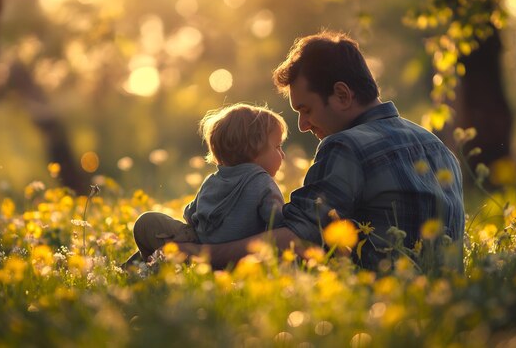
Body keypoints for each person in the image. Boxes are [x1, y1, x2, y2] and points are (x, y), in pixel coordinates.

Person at [176, 30, 465, 270]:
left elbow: (296, 240)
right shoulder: (437, 147)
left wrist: (193, 255)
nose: (302, 125)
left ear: (342, 95)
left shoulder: (346, 146)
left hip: (371, 307)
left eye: (306, 109)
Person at [122, 103, 289, 267]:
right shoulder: (264, 183)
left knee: (148, 222)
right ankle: (154, 265)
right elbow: (279, 227)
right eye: (278, 147)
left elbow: (190, 215)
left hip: (199, 248)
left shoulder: (212, 180)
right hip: (238, 260)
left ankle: (138, 267)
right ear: (255, 150)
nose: (282, 154)